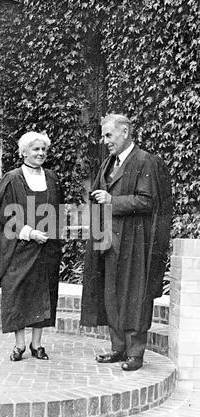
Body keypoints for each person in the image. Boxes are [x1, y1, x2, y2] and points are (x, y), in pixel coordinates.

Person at [81, 114, 172, 371]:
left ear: (125, 131)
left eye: (108, 135)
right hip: (109, 242)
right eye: (103, 135)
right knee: (111, 295)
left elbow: (148, 201)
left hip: (134, 243)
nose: (104, 141)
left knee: (134, 296)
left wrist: (112, 201)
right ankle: (118, 348)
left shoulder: (145, 161)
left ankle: (135, 353)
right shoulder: (108, 164)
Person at [0, 131, 62, 361]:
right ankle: (20, 345)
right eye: (36, 149)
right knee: (18, 294)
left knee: (44, 294)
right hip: (19, 248)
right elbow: (5, 216)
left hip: (46, 248)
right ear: (24, 151)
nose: (41, 153)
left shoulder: (52, 178)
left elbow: (56, 212)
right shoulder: (12, 179)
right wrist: (30, 233)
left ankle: (37, 344)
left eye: (44, 150)